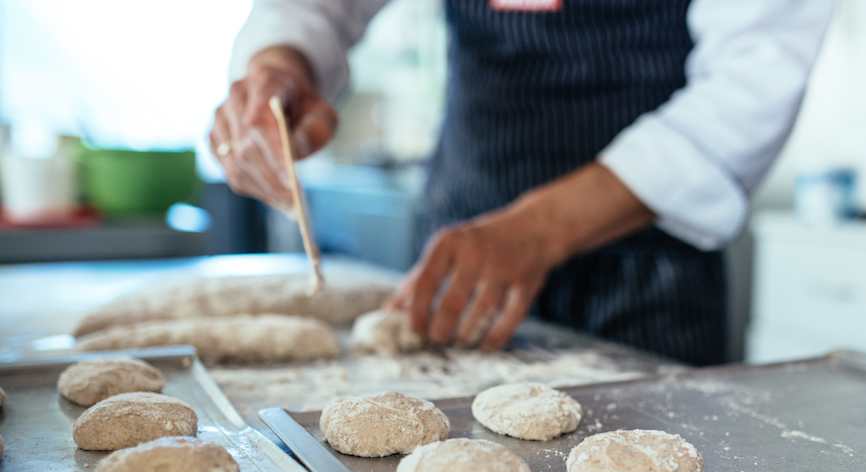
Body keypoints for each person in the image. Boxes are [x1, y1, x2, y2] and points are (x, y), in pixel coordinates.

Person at [212, 0, 833, 365]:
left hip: (650, 270)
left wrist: (541, 228)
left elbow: (754, 82)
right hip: (461, 241)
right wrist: (280, 62)